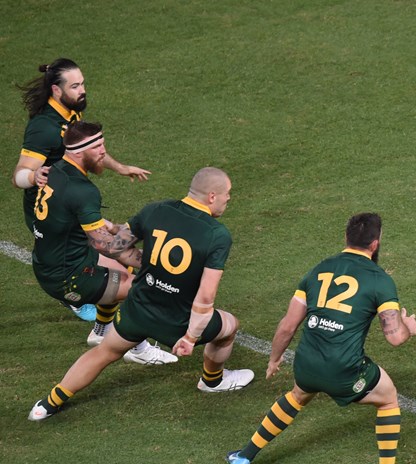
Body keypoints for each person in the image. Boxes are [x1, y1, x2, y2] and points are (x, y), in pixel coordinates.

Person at [28, 166, 253, 421]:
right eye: (227, 193)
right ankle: (212, 381)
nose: (229, 198)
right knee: (230, 327)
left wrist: (146, 262)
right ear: (212, 196)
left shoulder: (155, 210)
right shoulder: (217, 234)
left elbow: (114, 248)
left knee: (103, 353)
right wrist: (190, 338)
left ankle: (47, 404)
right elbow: (205, 297)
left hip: (138, 309)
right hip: (177, 319)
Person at [226, 213, 416, 464]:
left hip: (305, 363)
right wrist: (409, 327)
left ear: (346, 238)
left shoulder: (319, 269)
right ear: (376, 244)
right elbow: (395, 337)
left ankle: (243, 457)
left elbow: (287, 325)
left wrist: (274, 359)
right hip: (343, 370)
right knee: (388, 398)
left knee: (298, 395)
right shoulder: (380, 280)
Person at [12, 58, 150, 321]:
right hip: (52, 210)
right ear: (56, 90)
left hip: (67, 202)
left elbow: (86, 149)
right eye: (75, 86)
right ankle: (76, 294)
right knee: (95, 253)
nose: (82, 90)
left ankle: (100, 320)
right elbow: (17, 176)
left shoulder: (70, 111)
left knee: (104, 251)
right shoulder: (44, 128)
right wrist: (33, 175)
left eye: (83, 83)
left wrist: (119, 167)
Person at [30, 120, 176, 365]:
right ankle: (138, 347)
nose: (103, 153)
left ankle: (101, 331)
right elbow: (107, 247)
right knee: (143, 287)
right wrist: (156, 262)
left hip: (54, 260)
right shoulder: (82, 191)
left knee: (121, 272)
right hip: (67, 277)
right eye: (97, 148)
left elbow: (77, 220)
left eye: (103, 144)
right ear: (78, 152)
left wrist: (111, 226)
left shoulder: (55, 169)